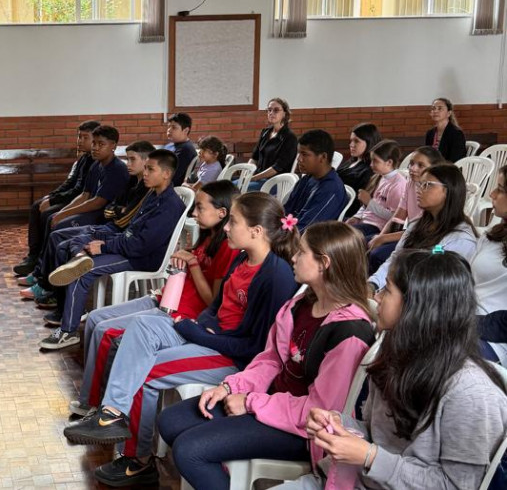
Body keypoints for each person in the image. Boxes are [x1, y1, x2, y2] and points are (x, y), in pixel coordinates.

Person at [63, 192, 299, 487]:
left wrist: (198, 333)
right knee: (142, 326)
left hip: (232, 357)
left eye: (233, 222)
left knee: (145, 371)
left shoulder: (276, 276)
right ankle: (111, 413)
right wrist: (200, 325)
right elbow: (215, 308)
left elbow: (255, 349)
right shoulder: (243, 257)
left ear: (256, 231)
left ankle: (138, 461)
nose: (226, 227)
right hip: (209, 336)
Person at [156, 222, 376, 490]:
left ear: (324, 263)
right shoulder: (302, 303)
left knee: (190, 451)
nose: (293, 257)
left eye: (302, 252)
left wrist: (250, 403)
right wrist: (231, 387)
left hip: (304, 429)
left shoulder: (349, 332)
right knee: (170, 422)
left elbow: (320, 411)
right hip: (270, 403)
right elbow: (271, 359)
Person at [276, 249, 507, 490]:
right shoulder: (394, 356)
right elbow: (376, 434)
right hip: (347, 481)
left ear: (416, 307)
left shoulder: (471, 394)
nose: (377, 296)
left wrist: (370, 457)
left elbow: (458, 486)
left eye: (387, 290)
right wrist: (338, 422)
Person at [70, 180, 239, 415]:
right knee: (95, 319)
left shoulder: (228, 248)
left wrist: (193, 264)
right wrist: (186, 257)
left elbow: (212, 300)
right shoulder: (208, 236)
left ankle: (102, 407)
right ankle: (91, 399)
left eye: (200, 207)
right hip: (168, 299)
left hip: (182, 313)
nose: (194, 213)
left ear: (222, 212)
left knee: (106, 332)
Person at [37, 149, 185, 350]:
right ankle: (77, 267)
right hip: (127, 244)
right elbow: (130, 231)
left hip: (141, 257)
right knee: (73, 243)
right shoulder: (153, 194)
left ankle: (68, 332)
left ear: (166, 174)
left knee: (82, 273)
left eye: (150, 169)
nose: (145, 173)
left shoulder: (169, 205)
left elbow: (140, 245)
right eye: (146, 169)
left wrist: (105, 246)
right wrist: (105, 241)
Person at [19, 140, 154, 308]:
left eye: (132, 159)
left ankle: (55, 292)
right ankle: (44, 280)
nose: (128, 164)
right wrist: (116, 211)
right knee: (56, 233)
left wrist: (115, 212)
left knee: (62, 238)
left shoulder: (137, 182)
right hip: (109, 225)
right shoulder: (129, 180)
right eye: (127, 159)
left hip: (113, 231)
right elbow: (110, 207)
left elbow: (118, 215)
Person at [369, 163, 478, 294]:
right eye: (420, 184)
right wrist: (373, 284)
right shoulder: (417, 224)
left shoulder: (461, 239)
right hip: (399, 294)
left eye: (427, 185)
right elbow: (396, 259)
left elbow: (438, 288)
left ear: (448, 191)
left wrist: (392, 295)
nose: (419, 190)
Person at [13, 121, 98, 276]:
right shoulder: (84, 159)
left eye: (85, 137)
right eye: (79, 137)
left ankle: (43, 260)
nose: (79, 141)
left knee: (48, 215)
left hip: (80, 202)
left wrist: (53, 201)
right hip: (72, 197)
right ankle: (34, 255)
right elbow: (69, 183)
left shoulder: (95, 162)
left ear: (96, 139)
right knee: (36, 206)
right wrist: (51, 196)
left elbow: (80, 192)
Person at [365, 146, 444, 273]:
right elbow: (397, 218)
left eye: (420, 165)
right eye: (411, 163)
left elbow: (421, 231)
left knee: (377, 255)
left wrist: (383, 239)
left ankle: (384, 283)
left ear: (434, 168)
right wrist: (380, 236)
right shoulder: (410, 184)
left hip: (425, 241)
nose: (413, 168)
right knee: (365, 243)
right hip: (410, 235)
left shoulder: (434, 194)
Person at [47, 125, 129, 230]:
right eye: (94, 143)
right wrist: (62, 212)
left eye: (101, 144)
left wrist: (64, 214)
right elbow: (84, 195)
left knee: (61, 225)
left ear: (113, 145)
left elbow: (98, 203)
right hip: (92, 211)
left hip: (105, 217)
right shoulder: (96, 164)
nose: (95, 148)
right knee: (52, 217)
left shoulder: (117, 169)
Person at [283, 130, 347, 231]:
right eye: (299, 154)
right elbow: (286, 211)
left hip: (306, 239)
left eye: (304, 154)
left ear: (323, 157)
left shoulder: (331, 190)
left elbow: (305, 229)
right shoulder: (307, 179)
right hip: (289, 233)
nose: (299, 159)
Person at [476, 165, 507, 365]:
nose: (492, 194)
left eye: (501, 189)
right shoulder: (493, 234)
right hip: (464, 318)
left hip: (493, 340)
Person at [346, 140, 407, 243]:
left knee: (344, 237)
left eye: (375, 161)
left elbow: (393, 216)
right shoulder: (379, 177)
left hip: (377, 227)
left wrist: (369, 202)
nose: (371, 164)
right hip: (365, 220)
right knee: (337, 228)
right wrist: (356, 217)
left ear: (389, 162)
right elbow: (365, 205)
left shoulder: (398, 184)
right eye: (371, 160)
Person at [247, 98, 298, 192]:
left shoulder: (290, 137)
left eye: (276, 110)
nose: (271, 113)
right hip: (259, 179)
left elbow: (277, 167)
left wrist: (253, 178)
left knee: (235, 189)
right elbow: (254, 157)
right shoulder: (265, 132)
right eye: (269, 110)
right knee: (228, 186)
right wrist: (247, 173)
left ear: (284, 113)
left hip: (276, 182)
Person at [336, 123, 381, 218]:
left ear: (369, 143)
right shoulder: (351, 162)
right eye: (351, 141)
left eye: (356, 141)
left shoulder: (369, 170)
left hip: (346, 213)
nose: (351, 145)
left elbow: (359, 202)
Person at [425, 97, 467, 163]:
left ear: (449, 113)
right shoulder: (430, 133)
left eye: (440, 108)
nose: (435, 111)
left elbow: (456, 159)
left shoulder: (456, 133)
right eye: (433, 108)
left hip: (448, 167)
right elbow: (426, 155)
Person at [163, 113, 197, 187]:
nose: (169, 130)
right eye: (169, 127)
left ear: (186, 130)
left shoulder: (186, 150)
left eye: (174, 127)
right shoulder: (169, 146)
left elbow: (172, 176)